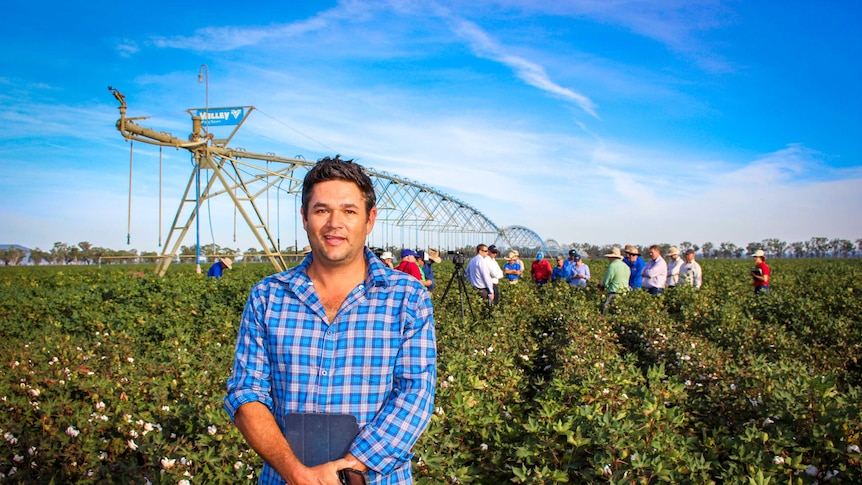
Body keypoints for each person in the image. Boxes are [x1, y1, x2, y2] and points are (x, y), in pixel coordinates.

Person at [224, 156, 437, 485]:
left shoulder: (406, 297)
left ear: (370, 220)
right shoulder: (268, 297)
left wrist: (349, 468)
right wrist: (296, 473)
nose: (334, 223)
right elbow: (246, 392)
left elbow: (415, 392)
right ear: (305, 218)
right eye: (321, 210)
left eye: (349, 211)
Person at [598, 247, 630, 316]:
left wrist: (601, 285)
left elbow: (606, 281)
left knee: (607, 310)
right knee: (621, 313)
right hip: (624, 293)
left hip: (614, 292)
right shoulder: (626, 266)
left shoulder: (612, 266)